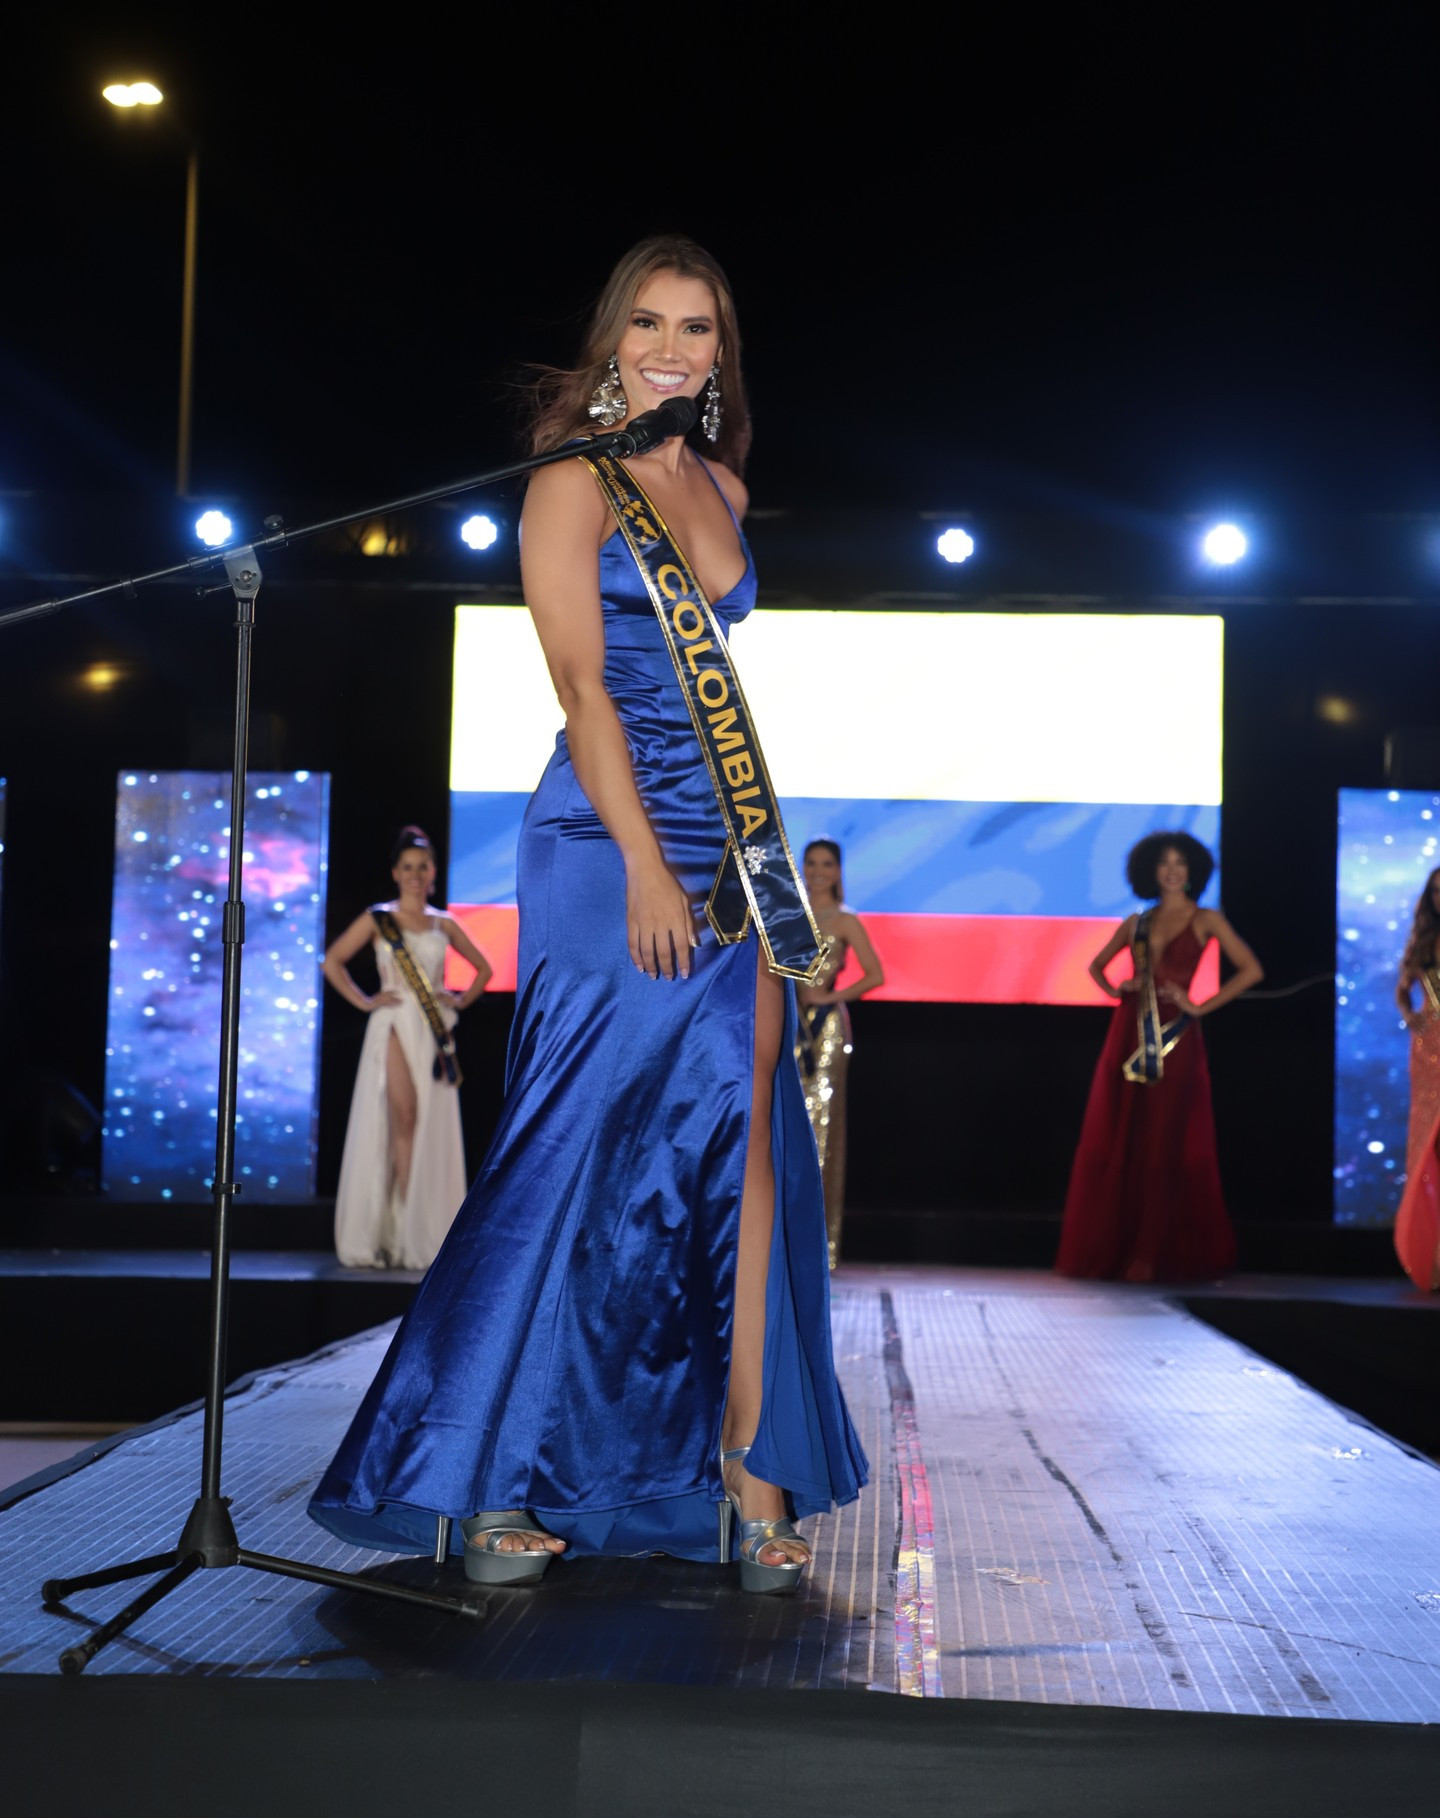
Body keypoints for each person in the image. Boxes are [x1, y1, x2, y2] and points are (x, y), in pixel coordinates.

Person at [309, 237, 867, 1592]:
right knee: (573, 1143)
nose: (675, 347)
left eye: (700, 328)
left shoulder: (722, 484)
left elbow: (713, 683)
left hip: (727, 848)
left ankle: (751, 1479)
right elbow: (583, 688)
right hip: (602, 845)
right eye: (652, 323)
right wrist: (641, 862)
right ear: (612, 339)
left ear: (723, 351)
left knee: (749, 1160)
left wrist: (738, 862)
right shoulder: (572, 482)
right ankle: (489, 1477)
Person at [1055, 832, 1262, 1282]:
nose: (1172, 870)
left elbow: (1251, 969)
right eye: (1165, 863)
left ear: (1194, 871)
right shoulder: (1137, 922)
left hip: (1176, 1037)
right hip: (1128, 1034)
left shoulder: (1206, 919)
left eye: (1181, 863)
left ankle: (1152, 1253)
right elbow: (1097, 966)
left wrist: (1201, 1005)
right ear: (1151, 870)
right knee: (1125, 1134)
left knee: (1166, 1137)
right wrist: (1117, 989)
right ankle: (1121, 1248)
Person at [323, 827, 493, 1270]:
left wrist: (457, 999)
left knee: (428, 1124)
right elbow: (332, 962)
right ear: (396, 873)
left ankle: (418, 1231)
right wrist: (366, 1001)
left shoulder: (445, 923)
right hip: (395, 1023)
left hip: (434, 1032)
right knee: (404, 1116)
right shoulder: (380, 918)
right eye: (408, 868)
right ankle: (400, 1229)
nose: (416, 875)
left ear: (433, 873)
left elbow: (483, 970)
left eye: (423, 867)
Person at [795, 839, 884, 1269]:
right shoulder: (787, 911)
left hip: (825, 1032)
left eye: (826, 864)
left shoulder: (844, 920)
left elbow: (876, 975)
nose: (817, 871)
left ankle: (819, 1245)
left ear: (838, 870)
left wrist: (830, 998)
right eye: (811, 863)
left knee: (822, 1128)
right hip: (788, 1026)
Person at [1392, 869, 1440, 1289]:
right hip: (1430, 1052)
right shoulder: (1425, 943)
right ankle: (1434, 1256)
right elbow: (1403, 987)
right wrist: (1410, 1015)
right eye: (1438, 891)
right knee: (1431, 1148)